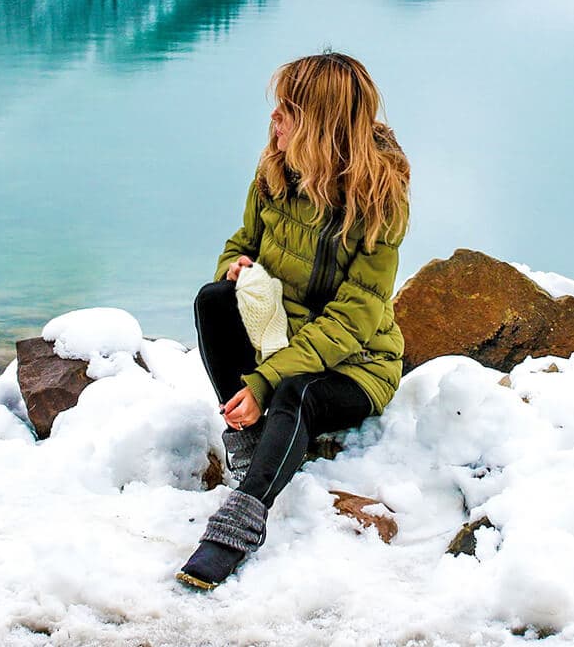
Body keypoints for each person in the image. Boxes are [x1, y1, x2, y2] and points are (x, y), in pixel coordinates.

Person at [176, 50, 411, 590]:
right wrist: (235, 267)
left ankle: (240, 520)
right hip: (281, 336)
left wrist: (263, 379)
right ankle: (255, 441)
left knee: (295, 394)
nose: (273, 121)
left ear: (321, 124)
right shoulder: (274, 172)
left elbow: (353, 322)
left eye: (287, 111)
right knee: (213, 299)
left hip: (355, 364)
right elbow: (242, 243)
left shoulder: (377, 203)